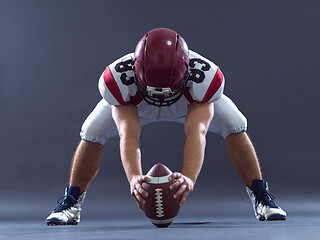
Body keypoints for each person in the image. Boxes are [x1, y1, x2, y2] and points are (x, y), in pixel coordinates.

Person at [46, 28, 286, 225]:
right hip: (137, 105)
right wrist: (134, 178)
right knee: (91, 131)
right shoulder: (118, 79)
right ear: (135, 70)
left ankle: (261, 196)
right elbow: (127, 132)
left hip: (189, 103)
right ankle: (72, 202)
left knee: (235, 124)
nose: (162, 97)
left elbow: (197, 130)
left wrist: (189, 177)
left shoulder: (205, 77)